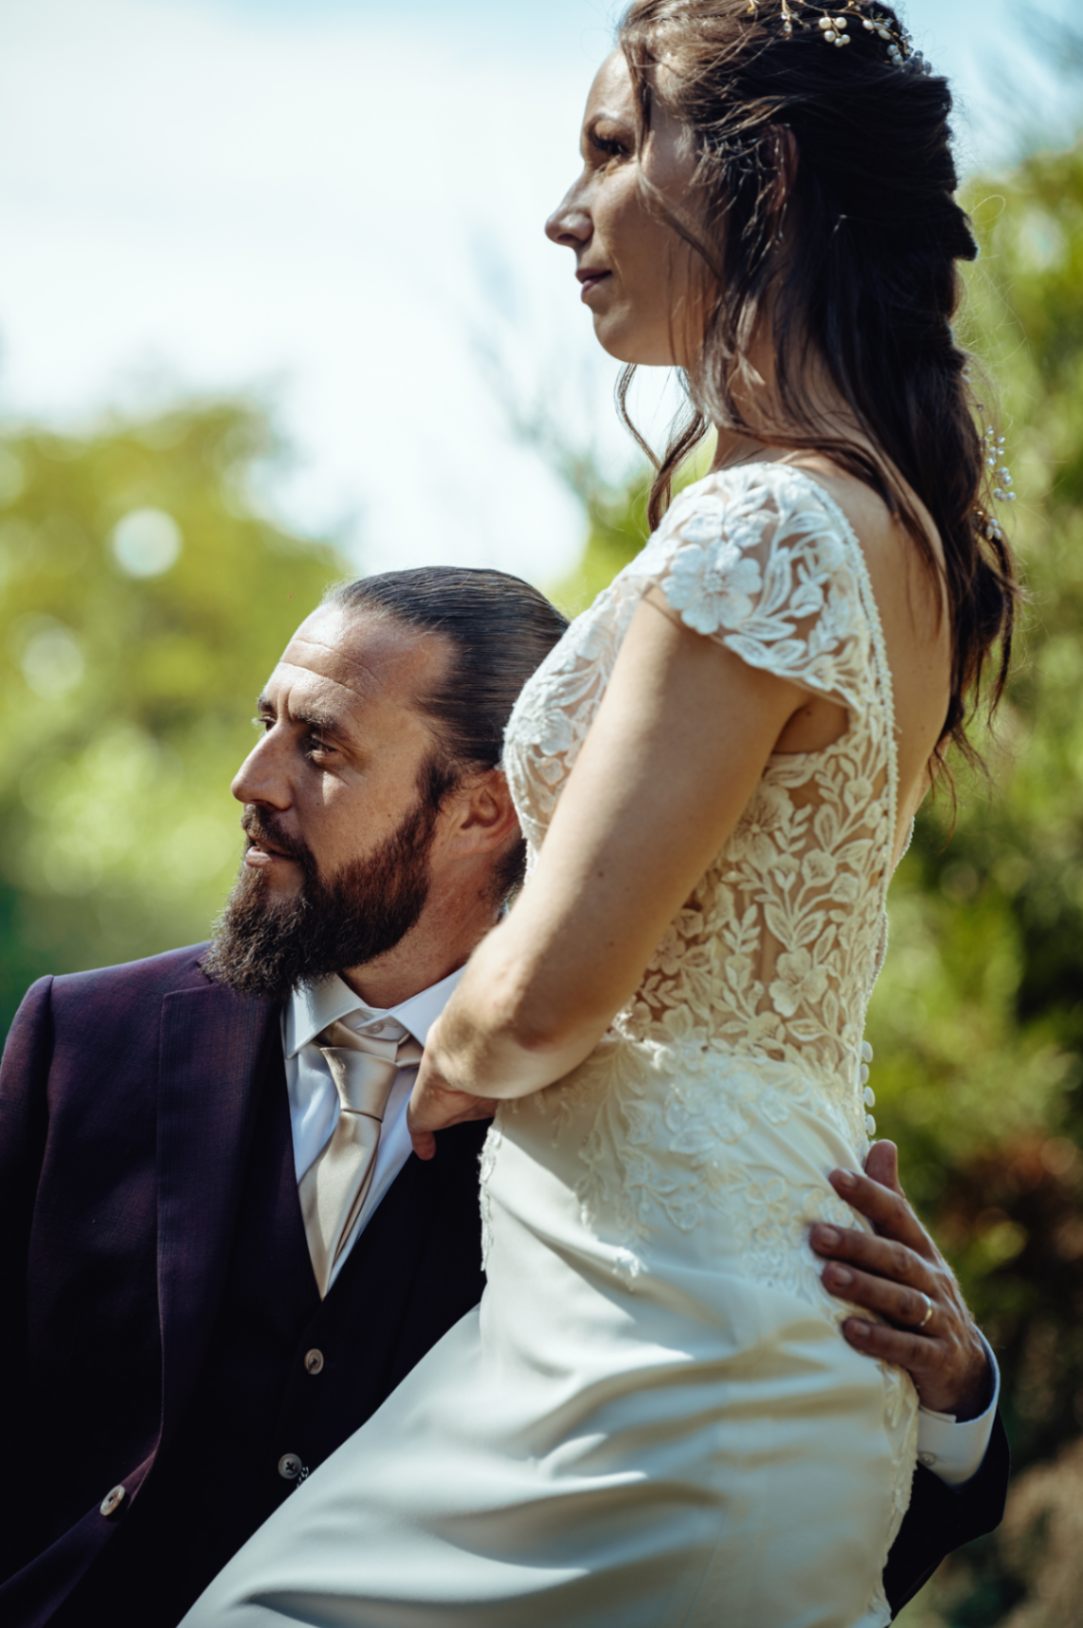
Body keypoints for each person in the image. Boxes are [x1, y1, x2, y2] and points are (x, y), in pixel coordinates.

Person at [183, 3, 1019, 1626]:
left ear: (758, 171)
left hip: (660, 1346)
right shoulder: (906, 537)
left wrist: (442, 1063)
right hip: (672, 1299)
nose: (565, 213)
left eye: (607, 147)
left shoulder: (760, 527)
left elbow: (551, 994)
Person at [1, 570, 1004, 1628]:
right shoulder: (84, 1040)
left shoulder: (630, 1128)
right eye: (267, 724)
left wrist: (953, 1402)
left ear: (484, 807)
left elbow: (752, 1552)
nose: (253, 780)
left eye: (321, 746)